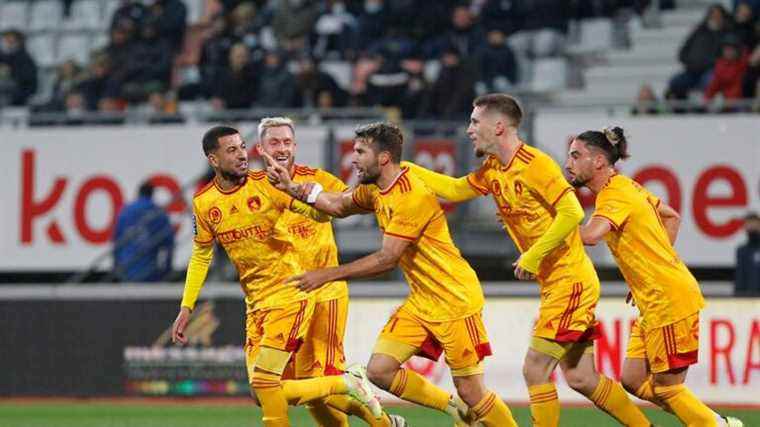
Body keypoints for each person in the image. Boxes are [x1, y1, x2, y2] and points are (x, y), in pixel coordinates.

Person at [401, 94, 650, 427]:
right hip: (557, 284)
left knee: (534, 369)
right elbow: (456, 189)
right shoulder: (493, 168)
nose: (469, 129)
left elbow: (573, 211)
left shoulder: (536, 164)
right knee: (581, 378)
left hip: (570, 281)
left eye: (475, 122)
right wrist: (403, 168)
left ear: (499, 126)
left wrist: (532, 256)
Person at [264, 122, 518, 427]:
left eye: (360, 152)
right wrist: (291, 187)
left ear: (383, 158)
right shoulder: (376, 188)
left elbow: (387, 258)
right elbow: (339, 204)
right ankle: (454, 409)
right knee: (380, 371)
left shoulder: (411, 197)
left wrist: (328, 274)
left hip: (455, 301)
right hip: (423, 301)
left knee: (472, 390)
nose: (353, 158)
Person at [170, 126, 381, 427]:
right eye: (232, 150)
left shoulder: (268, 183)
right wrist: (186, 306)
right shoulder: (204, 203)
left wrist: (301, 193)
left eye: (242, 147)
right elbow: (201, 255)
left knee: (267, 384)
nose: (242, 154)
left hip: (289, 295)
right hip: (256, 304)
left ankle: (346, 385)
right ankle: (350, 388)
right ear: (213, 160)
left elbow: (319, 214)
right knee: (262, 391)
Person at [565, 126, 744, 427]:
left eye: (575, 155)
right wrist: (651, 269)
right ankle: (714, 421)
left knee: (668, 388)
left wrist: (549, 227)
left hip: (668, 300)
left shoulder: (614, 195)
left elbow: (592, 235)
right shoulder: (626, 186)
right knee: (633, 380)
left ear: (598, 161)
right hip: (655, 299)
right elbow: (671, 215)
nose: (568, 163)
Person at [257, 117, 405, 427]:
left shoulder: (316, 180)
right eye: (274, 142)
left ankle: (372, 412)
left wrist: (311, 198)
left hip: (325, 292)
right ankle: (380, 418)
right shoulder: (252, 189)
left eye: (286, 142)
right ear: (261, 148)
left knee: (317, 380)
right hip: (281, 299)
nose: (281, 148)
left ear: (295, 146)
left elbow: (355, 201)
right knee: (285, 388)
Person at [113, 181, 175, 282]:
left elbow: (116, 243)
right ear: (152, 194)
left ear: (139, 193)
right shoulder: (158, 213)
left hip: (127, 271)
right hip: (150, 273)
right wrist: (166, 272)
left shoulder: (125, 211)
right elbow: (169, 245)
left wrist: (116, 268)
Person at [735, 212, 760, 296]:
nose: (751, 227)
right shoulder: (742, 251)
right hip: (748, 298)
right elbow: (740, 276)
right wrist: (737, 295)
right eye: (748, 225)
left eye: (754, 224)